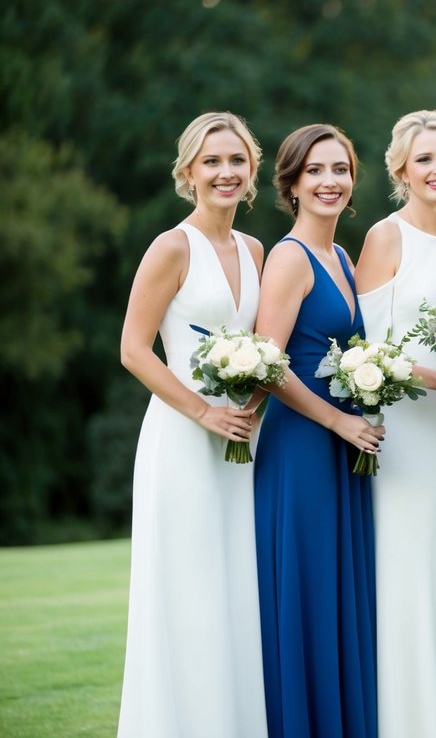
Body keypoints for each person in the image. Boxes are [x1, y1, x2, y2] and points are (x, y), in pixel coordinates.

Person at [117, 112, 268, 737]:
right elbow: (132, 348)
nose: (225, 172)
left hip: (244, 440)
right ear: (188, 172)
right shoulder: (172, 246)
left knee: (235, 590)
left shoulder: (256, 249)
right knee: (188, 591)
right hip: (182, 438)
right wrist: (203, 410)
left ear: (252, 169)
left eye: (236, 160)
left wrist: (252, 395)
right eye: (212, 161)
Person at [355, 110, 436, 738]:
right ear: (401, 168)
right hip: (404, 434)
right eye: (425, 159)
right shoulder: (385, 237)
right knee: (407, 573)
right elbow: (364, 353)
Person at [253, 124, 382, 738]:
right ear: (293, 184)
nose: (330, 182)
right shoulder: (288, 256)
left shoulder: (342, 257)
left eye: (341, 170)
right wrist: (338, 420)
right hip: (304, 444)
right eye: (316, 171)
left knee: (339, 592)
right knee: (308, 590)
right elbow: (268, 363)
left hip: (345, 442)